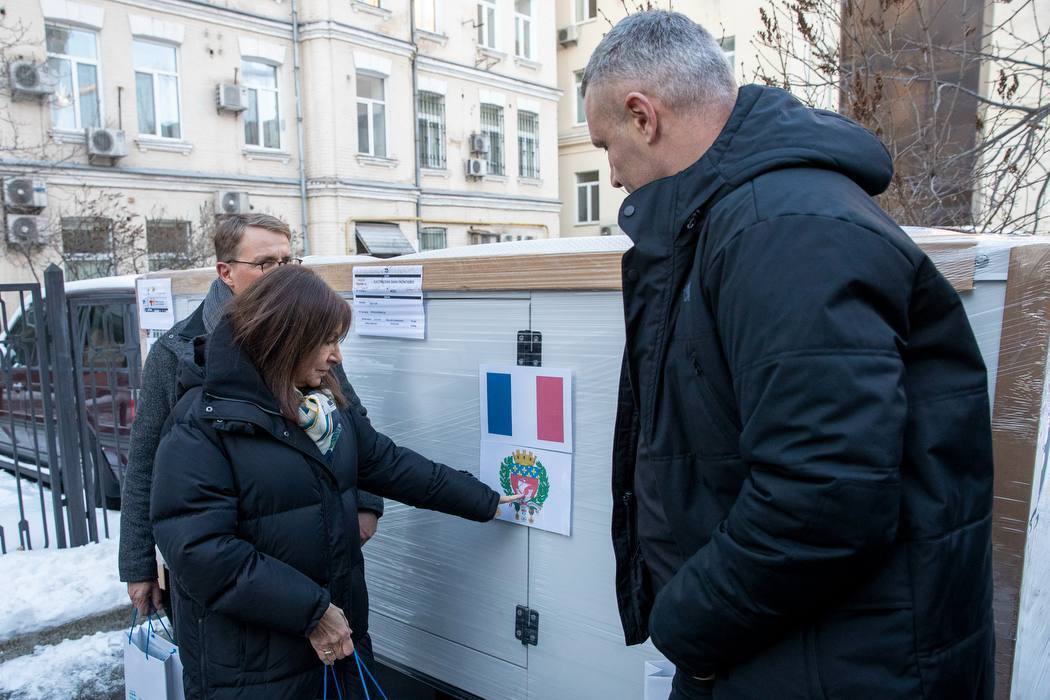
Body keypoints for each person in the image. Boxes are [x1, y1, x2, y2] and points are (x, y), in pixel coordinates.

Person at [585, 11, 994, 699]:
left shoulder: (781, 228)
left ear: (642, 116)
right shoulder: (741, 219)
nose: (613, 174)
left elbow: (825, 495)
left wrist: (688, 627)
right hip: (788, 650)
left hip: (827, 664)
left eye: (605, 146)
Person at [150, 265, 520, 699]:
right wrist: (312, 611)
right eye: (327, 341)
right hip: (254, 668)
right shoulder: (203, 424)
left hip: (338, 641)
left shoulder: (321, 408)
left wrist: (483, 499)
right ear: (284, 338)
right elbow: (200, 552)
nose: (337, 357)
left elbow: (388, 463)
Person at [118, 214, 386, 629]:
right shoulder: (176, 351)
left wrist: (366, 503)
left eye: (287, 261)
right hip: (230, 569)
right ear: (226, 272)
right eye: (265, 264)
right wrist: (138, 564)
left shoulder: (306, 335)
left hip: (314, 551)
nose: (281, 273)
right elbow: (144, 461)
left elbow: (350, 421)